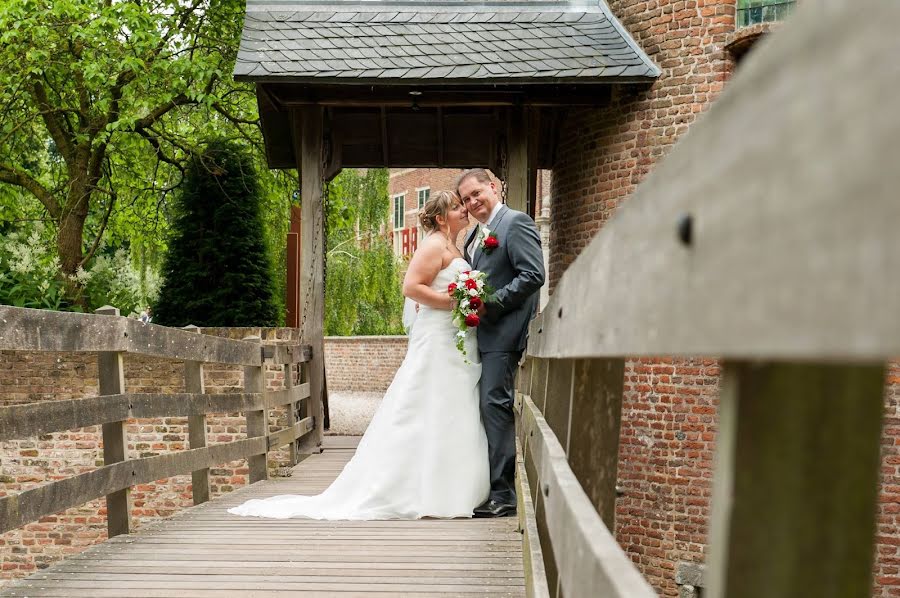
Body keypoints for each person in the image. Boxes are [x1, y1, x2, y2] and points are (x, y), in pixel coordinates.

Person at [228, 191, 489, 520]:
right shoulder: (434, 245)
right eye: (456, 207)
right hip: (438, 338)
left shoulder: (455, 247)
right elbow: (411, 287)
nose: (464, 210)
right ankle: (409, 487)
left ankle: (448, 485)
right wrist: (455, 303)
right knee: (425, 404)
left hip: (454, 338)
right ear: (441, 218)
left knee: (450, 407)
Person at [458, 169, 545, 518]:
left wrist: (490, 304)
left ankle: (504, 495)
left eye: (477, 193)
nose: (473, 201)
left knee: (494, 406)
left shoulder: (516, 223)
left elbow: (533, 275)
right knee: (481, 408)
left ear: (493, 187)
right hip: (482, 335)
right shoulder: (476, 235)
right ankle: (484, 485)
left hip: (504, 335)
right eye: (466, 199)